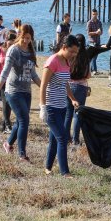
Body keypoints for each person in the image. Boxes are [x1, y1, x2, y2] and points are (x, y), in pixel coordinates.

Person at [0, 24, 41, 162]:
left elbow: (34, 75)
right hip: (13, 90)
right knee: (24, 120)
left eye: (29, 38)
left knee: (21, 120)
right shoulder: (13, 50)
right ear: (19, 35)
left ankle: (8, 144)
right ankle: (22, 154)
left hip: (26, 91)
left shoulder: (31, 52)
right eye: (24, 38)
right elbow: (5, 72)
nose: (27, 41)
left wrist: (45, 87)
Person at [40, 35, 80, 177]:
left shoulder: (66, 62)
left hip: (62, 107)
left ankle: (48, 168)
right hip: (51, 107)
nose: (74, 55)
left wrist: (73, 99)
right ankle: (65, 172)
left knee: (54, 138)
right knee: (62, 138)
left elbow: (66, 83)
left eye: (76, 52)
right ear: (64, 47)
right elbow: (43, 86)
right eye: (72, 51)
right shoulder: (52, 61)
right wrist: (43, 107)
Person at [0, 31, 16, 134]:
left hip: (12, 80)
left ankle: (4, 125)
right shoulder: (0, 49)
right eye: (10, 41)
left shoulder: (15, 51)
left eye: (13, 41)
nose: (11, 44)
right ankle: (7, 125)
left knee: (8, 103)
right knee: (5, 102)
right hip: (2, 79)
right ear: (6, 40)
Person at [87, 9, 103, 74]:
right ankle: (94, 70)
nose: (95, 15)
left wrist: (99, 33)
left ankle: (91, 69)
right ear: (91, 14)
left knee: (95, 56)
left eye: (96, 14)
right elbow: (88, 33)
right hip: (92, 42)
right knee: (93, 56)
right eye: (93, 14)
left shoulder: (99, 22)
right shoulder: (89, 22)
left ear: (97, 14)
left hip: (98, 41)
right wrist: (96, 32)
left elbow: (101, 32)